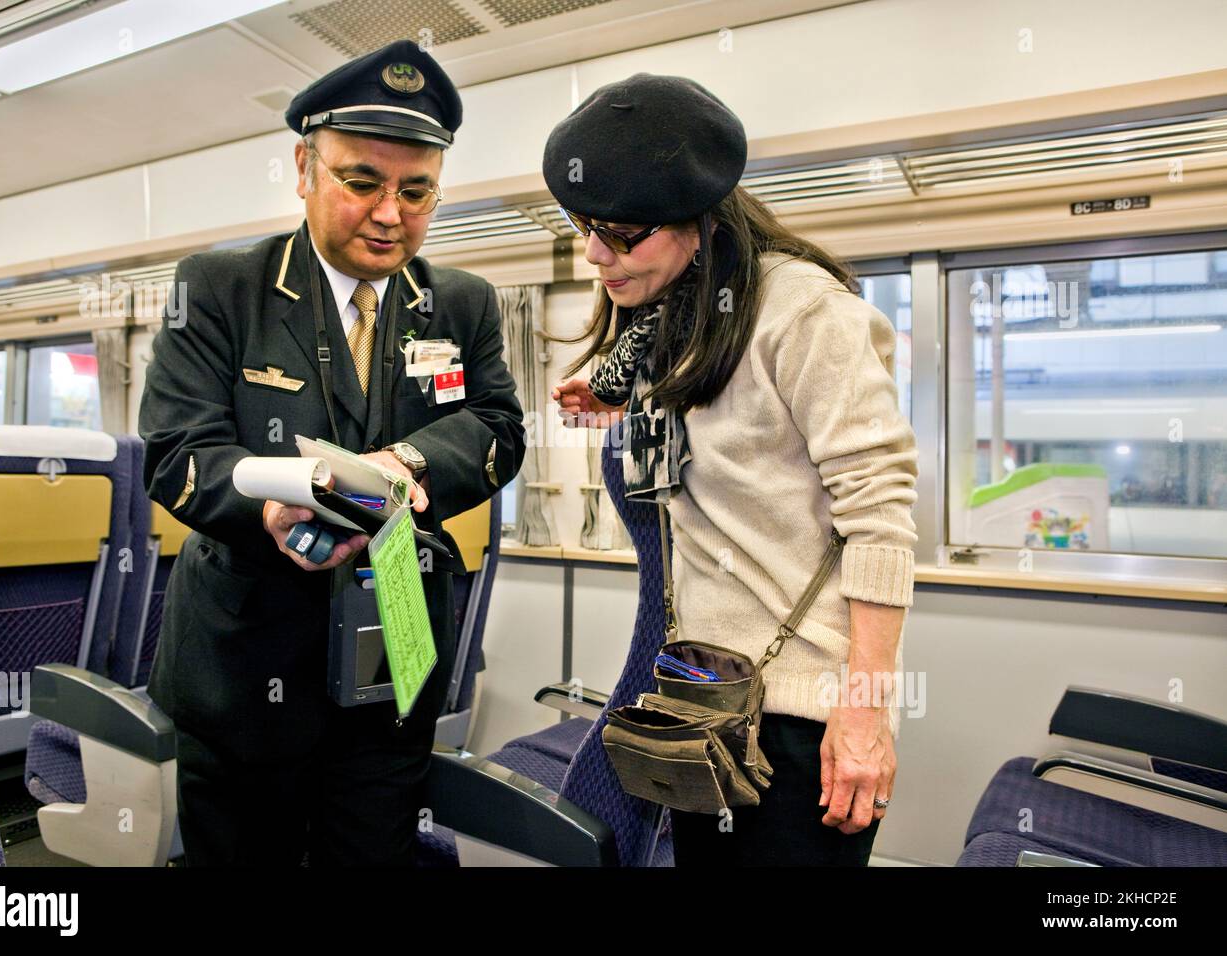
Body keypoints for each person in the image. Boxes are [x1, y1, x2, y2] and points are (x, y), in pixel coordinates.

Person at [138, 40, 524, 866]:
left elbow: (497, 428)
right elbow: (177, 453)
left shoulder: (461, 302)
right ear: (305, 170)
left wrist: (408, 464)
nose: (392, 214)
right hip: (248, 663)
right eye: (362, 182)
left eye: (417, 191)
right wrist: (270, 506)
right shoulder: (217, 288)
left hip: (396, 644)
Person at [544, 73, 918, 866]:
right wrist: (614, 402)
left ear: (700, 219)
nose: (593, 252)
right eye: (583, 225)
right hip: (697, 696)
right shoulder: (676, 310)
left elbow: (881, 522)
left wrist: (865, 715)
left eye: (620, 233)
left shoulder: (807, 316)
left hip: (794, 721)